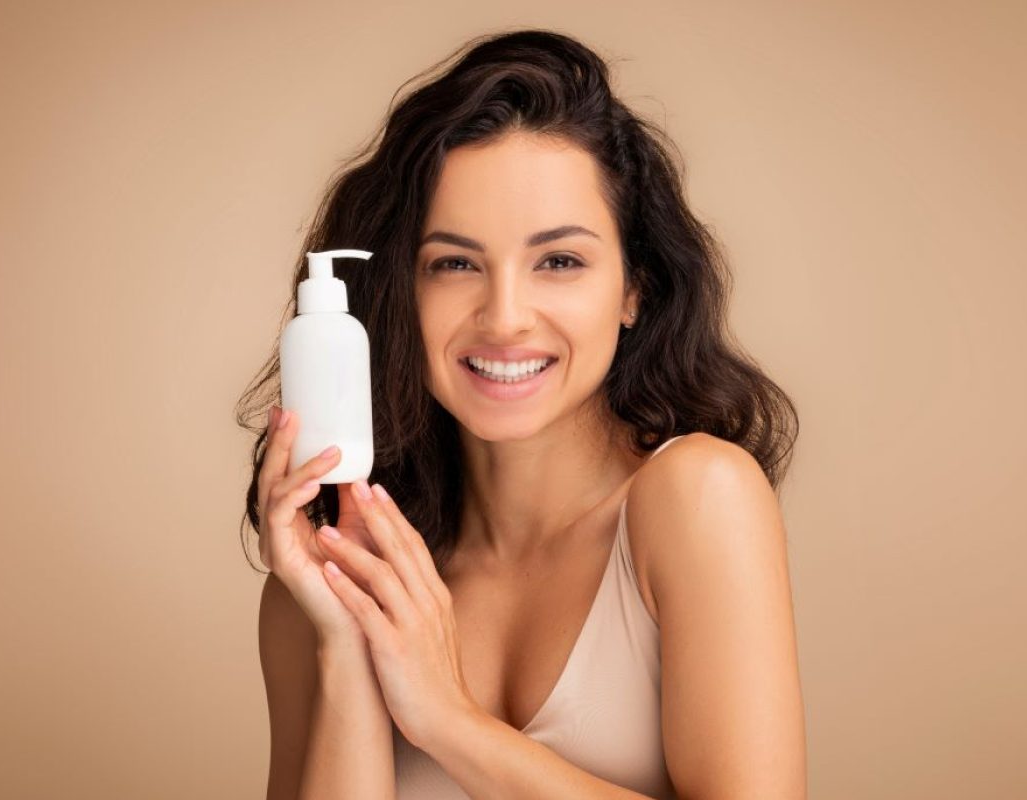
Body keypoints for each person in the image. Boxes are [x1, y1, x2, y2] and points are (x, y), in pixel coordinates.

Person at [239, 28, 806, 800]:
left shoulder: (699, 497)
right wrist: (345, 643)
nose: (504, 318)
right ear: (400, 293)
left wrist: (447, 720)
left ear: (634, 288)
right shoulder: (315, 586)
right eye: (454, 263)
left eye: (559, 261)